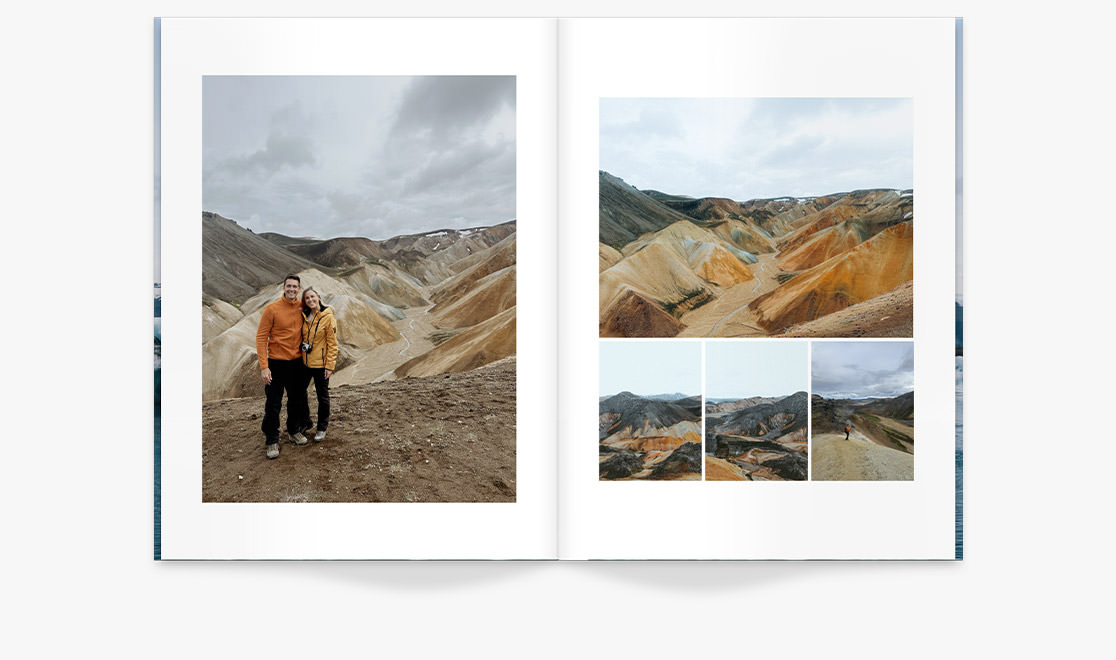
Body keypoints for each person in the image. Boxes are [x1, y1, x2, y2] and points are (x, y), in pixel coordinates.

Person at [256, 274, 312, 459]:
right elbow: (261, 338)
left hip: (297, 363)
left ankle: (293, 431)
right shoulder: (271, 309)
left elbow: (320, 315)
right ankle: (272, 440)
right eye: (289, 286)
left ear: (299, 289)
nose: (291, 289)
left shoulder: (302, 307)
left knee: (296, 400)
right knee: (273, 404)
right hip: (277, 364)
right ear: (284, 287)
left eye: (295, 287)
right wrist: (264, 367)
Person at [299, 286, 338, 442]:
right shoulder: (304, 315)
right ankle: (307, 422)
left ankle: (322, 427)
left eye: (312, 297)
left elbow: (333, 344)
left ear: (318, 297)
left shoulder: (328, 317)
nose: (310, 300)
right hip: (305, 363)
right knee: (300, 393)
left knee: (322, 397)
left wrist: (329, 365)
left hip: (321, 364)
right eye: (307, 298)